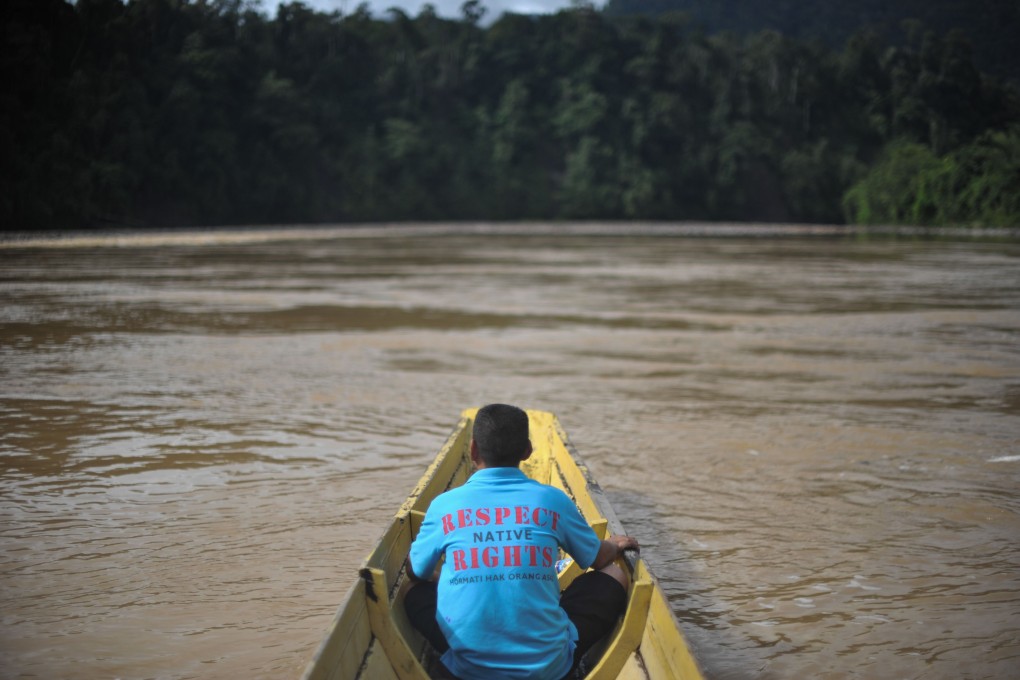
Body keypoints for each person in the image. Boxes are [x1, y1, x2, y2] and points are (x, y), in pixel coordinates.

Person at [404, 403, 640, 680]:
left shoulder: (444, 505)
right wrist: (612, 544)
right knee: (615, 573)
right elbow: (599, 560)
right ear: (527, 451)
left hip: (469, 669)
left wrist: (440, 575)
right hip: (547, 668)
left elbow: (415, 572)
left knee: (411, 589)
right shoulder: (551, 499)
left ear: (473, 450)